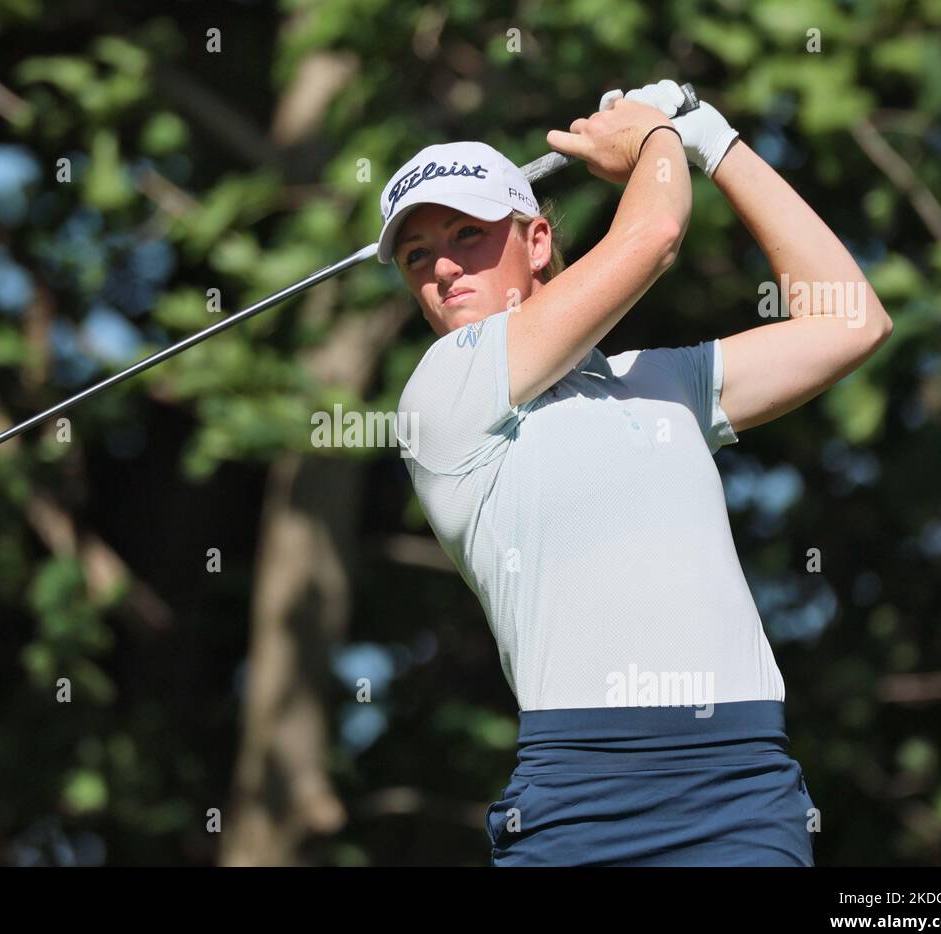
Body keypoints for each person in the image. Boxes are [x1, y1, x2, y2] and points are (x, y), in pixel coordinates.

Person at [377, 80, 893, 866]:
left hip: (741, 788)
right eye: (419, 256)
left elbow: (852, 320)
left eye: (467, 235)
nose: (443, 267)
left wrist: (714, 141)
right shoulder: (441, 394)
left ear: (539, 241)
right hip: (580, 800)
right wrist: (655, 137)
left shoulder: (660, 380)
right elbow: (654, 230)